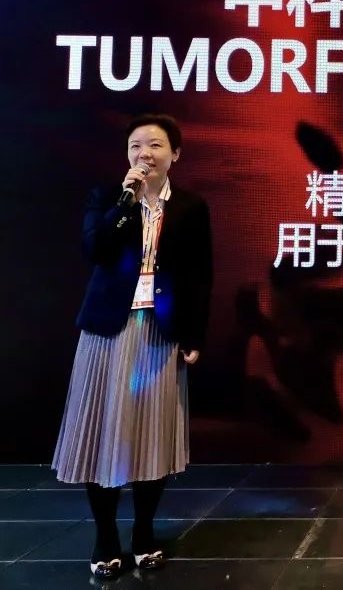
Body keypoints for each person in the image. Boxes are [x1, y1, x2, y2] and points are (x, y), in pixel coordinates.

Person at [51, 114, 212, 579]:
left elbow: (200, 275)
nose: (145, 154)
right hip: (108, 332)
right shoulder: (107, 198)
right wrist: (127, 203)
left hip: (159, 331)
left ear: (175, 153)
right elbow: (95, 250)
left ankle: (144, 533)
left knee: (152, 435)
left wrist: (194, 334)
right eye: (136, 145)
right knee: (101, 434)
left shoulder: (190, 207)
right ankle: (106, 537)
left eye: (156, 145)